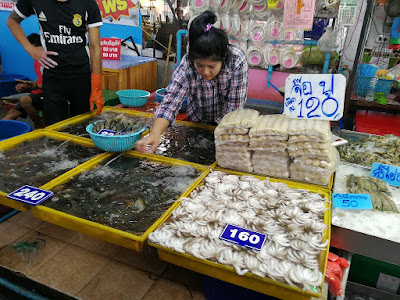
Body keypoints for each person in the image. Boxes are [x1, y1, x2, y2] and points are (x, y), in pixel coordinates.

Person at [135, 10, 249, 154]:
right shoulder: (187, 64)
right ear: (192, 59)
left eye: (212, 66)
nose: (206, 72)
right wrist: (154, 135)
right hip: (197, 121)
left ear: (223, 57)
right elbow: (170, 102)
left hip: (226, 122)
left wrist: (226, 141)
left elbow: (234, 110)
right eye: (200, 66)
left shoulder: (237, 61)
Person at [6, 0, 105, 126]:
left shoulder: (87, 3)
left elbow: (95, 47)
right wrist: (30, 49)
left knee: (81, 127)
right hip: (52, 76)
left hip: (81, 76)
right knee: (54, 128)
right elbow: (12, 21)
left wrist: (96, 87)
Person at [2, 33, 45, 129]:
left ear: (32, 45)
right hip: (36, 93)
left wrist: (33, 86)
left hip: (46, 94)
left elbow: (49, 85)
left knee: (24, 100)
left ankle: (39, 126)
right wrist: (27, 86)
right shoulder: (36, 60)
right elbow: (40, 79)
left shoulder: (46, 59)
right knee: (10, 115)